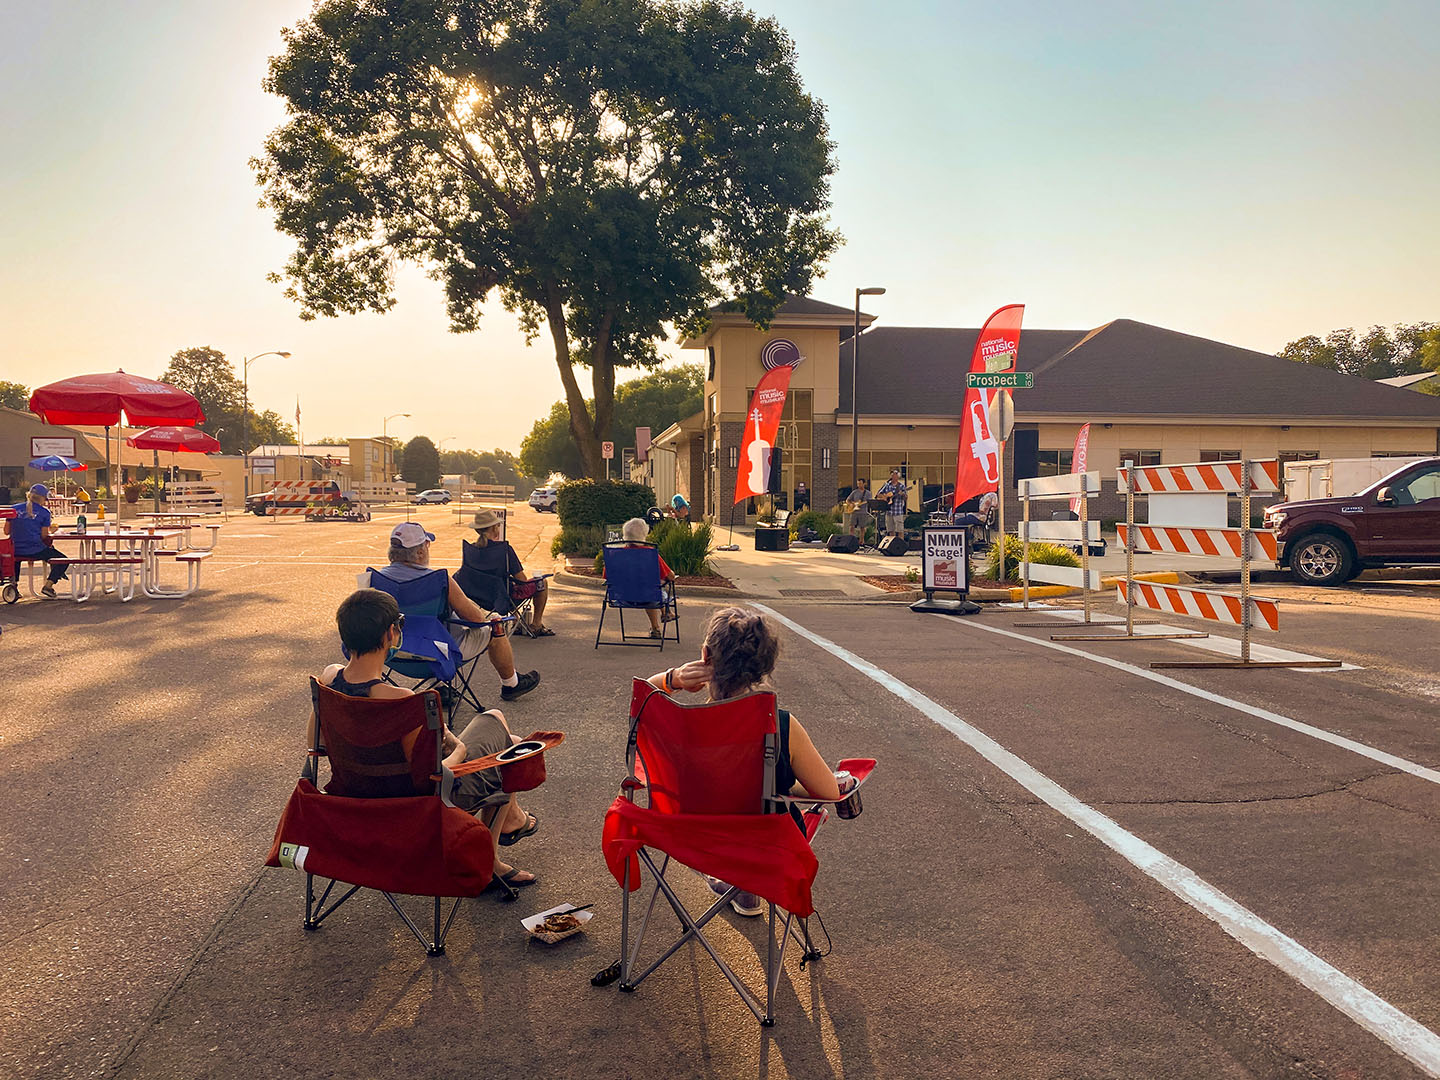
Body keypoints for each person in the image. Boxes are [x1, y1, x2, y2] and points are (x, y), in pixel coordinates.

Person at [316, 588, 539, 888]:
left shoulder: (328, 682)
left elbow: (316, 747)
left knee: (507, 737)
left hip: (353, 802)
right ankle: (491, 859)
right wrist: (457, 746)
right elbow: (436, 774)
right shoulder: (402, 701)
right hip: (415, 810)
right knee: (502, 731)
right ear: (390, 634)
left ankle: (507, 830)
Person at [646, 606, 843, 916]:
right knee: (772, 802)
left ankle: (734, 885)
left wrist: (673, 678)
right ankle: (746, 886)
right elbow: (830, 792)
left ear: (704, 655)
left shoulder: (674, 722)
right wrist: (787, 788)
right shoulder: (781, 726)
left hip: (690, 839)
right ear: (762, 666)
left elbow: (640, 696)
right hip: (762, 848)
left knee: (731, 811)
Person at [370, 522, 540, 701]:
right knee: (494, 623)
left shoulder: (375, 579)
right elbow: (477, 620)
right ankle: (511, 684)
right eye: (427, 545)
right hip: (439, 654)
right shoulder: (440, 580)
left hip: (392, 652)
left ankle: (439, 688)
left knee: (423, 629)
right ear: (419, 552)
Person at [457, 508, 553, 635]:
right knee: (542, 583)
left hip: (479, 597)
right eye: (497, 525)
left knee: (504, 584)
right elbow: (522, 580)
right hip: (502, 599)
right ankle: (536, 625)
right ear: (494, 528)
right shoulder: (504, 550)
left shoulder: (471, 550)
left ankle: (515, 621)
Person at [606, 517, 675, 639]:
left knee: (646, 586)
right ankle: (666, 613)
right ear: (644, 535)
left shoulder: (615, 554)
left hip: (622, 597)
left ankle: (656, 627)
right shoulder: (650, 554)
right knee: (655, 586)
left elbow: (607, 576)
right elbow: (670, 576)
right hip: (648, 597)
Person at [4, 484, 68, 599]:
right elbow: (44, 535)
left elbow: (6, 531)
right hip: (35, 549)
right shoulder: (44, 512)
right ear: (42, 498)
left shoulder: (14, 508)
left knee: (15, 558)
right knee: (62, 560)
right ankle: (48, 585)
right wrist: (52, 531)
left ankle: (14, 585)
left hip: (15, 549)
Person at [877, 469, 909, 539]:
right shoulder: (887, 485)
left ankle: (900, 545)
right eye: (892, 475)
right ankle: (892, 546)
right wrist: (885, 497)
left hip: (898, 511)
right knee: (891, 530)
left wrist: (903, 494)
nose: (893, 477)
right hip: (889, 511)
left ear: (897, 477)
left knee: (900, 530)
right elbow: (878, 494)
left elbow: (906, 498)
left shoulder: (901, 486)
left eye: (895, 475)